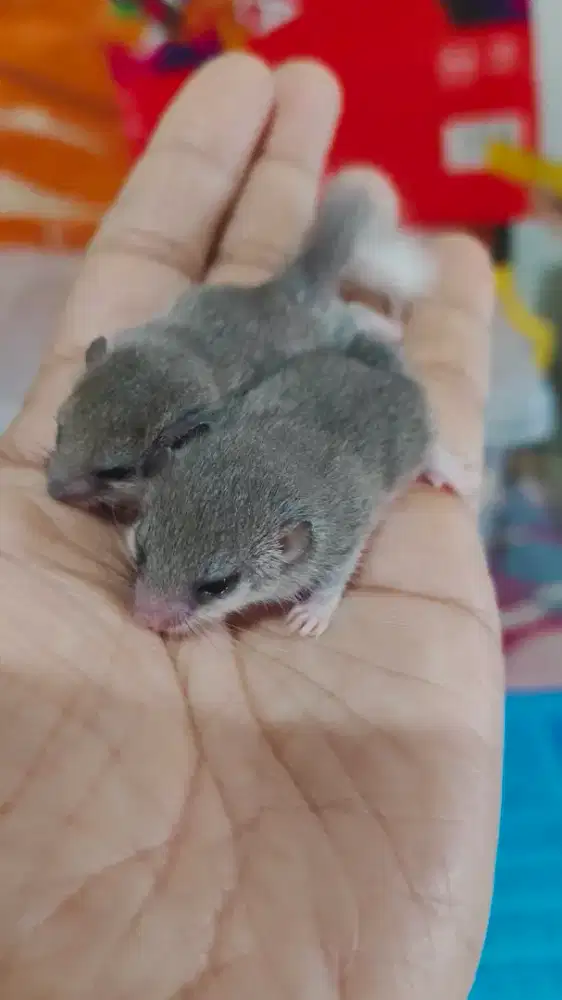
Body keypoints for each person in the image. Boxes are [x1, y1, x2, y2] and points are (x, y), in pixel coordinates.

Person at [0, 53, 503, 999]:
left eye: (204, 588)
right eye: (145, 554)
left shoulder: (302, 518)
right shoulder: (201, 449)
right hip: (295, 396)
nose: (149, 611)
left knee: (391, 405)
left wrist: (324, 590)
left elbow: (341, 520)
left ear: (284, 553)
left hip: (336, 404)